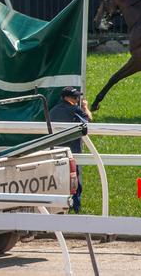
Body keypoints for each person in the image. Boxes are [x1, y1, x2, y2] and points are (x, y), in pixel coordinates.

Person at [49, 86, 92, 214]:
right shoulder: (75, 109)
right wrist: (85, 107)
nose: (76, 99)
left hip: (56, 151)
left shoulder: (53, 110)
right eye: (75, 97)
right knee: (75, 181)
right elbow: (89, 120)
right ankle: (75, 206)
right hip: (72, 151)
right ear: (66, 97)